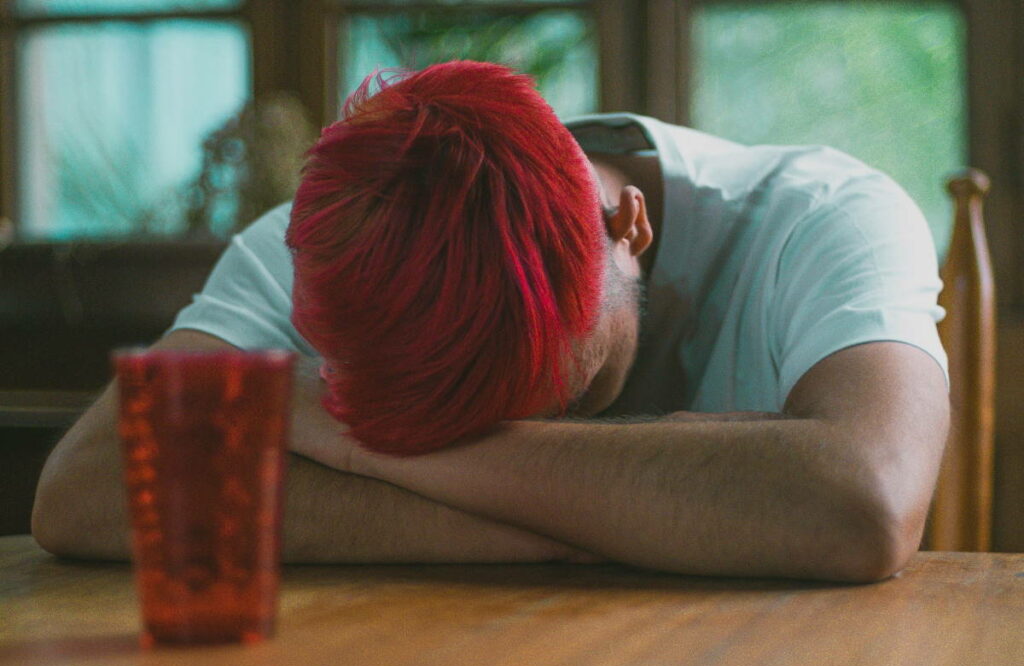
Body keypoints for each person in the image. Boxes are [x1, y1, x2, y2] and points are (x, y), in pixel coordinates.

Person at [32, 61, 949, 582]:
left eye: (573, 391)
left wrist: (369, 448)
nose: (539, 442)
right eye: (451, 422)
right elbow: (86, 488)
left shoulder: (827, 218)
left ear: (627, 224)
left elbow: (860, 498)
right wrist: (626, 515)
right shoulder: (337, 238)